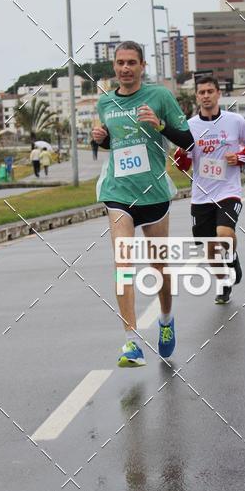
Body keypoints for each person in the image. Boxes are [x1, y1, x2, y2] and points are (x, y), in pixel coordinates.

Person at [92, 41, 194, 366]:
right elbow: (116, 143)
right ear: (114, 67)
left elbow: (188, 141)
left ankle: (165, 319)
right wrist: (102, 139)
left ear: (142, 65)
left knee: (158, 267)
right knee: (123, 265)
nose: (125, 68)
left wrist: (160, 126)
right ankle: (131, 342)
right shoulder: (104, 103)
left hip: (154, 195)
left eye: (131, 62)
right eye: (120, 62)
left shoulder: (160, 96)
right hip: (118, 194)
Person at [174, 76, 245, 304]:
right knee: (210, 250)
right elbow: (183, 164)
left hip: (228, 190)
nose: (206, 95)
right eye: (201, 92)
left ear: (218, 93)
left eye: (210, 91)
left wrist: (239, 157)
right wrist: (181, 155)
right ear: (197, 96)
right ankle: (223, 283)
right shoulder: (189, 126)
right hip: (201, 195)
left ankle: (232, 258)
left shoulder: (235, 121)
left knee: (224, 233)